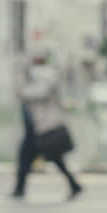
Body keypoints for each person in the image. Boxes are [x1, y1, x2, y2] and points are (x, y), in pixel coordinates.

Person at [11, 52, 83, 201]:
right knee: (29, 156)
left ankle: (73, 184)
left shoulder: (46, 76)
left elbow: (32, 93)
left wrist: (24, 86)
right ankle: (20, 188)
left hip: (46, 126)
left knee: (52, 157)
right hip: (37, 127)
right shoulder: (39, 76)